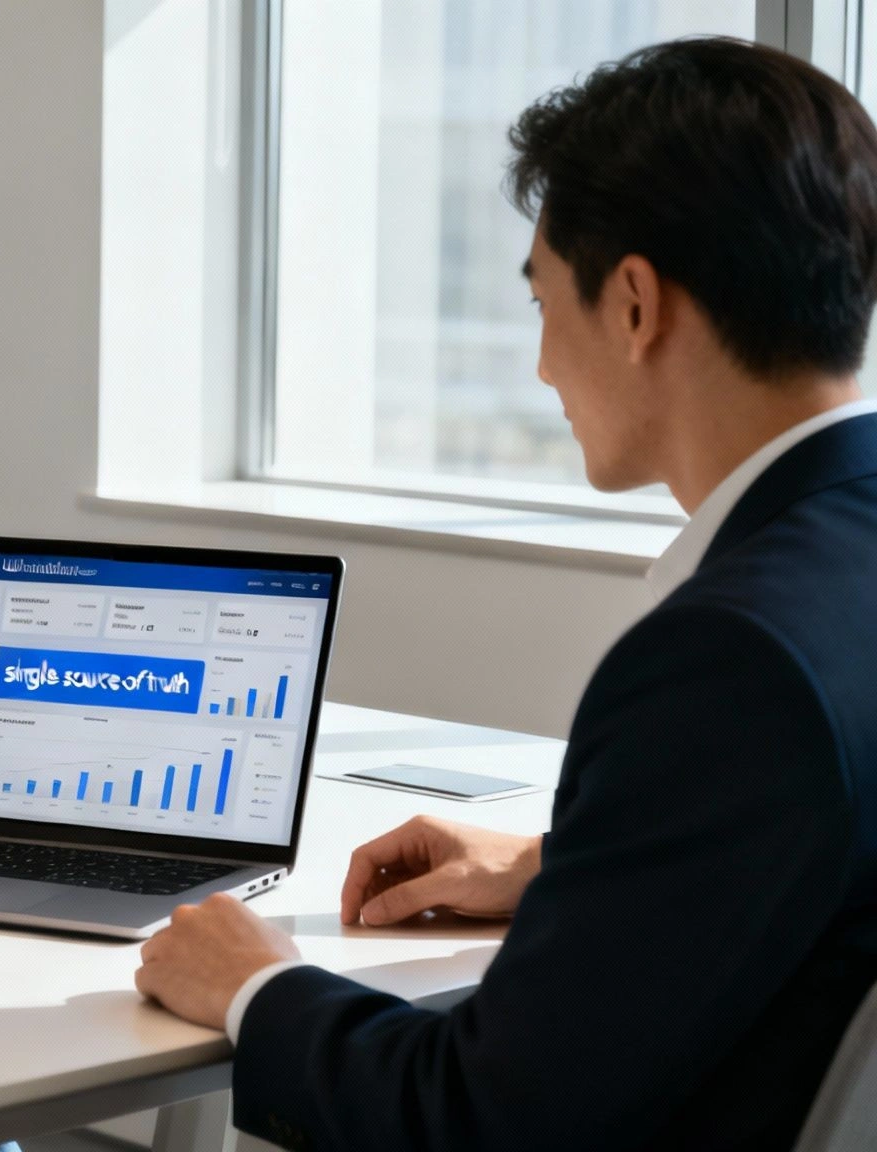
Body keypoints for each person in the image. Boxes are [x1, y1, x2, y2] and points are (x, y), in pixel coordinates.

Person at [134, 37, 877, 1151]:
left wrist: (253, 987)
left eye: (540, 303)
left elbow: (481, 1118)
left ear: (632, 304)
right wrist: (555, 868)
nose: (538, 367)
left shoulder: (727, 658)